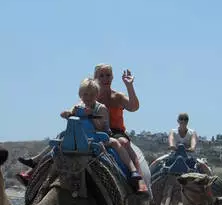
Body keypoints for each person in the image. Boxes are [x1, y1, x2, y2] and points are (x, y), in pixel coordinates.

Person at [17, 78, 145, 192]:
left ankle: (132, 170)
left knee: (116, 143)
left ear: (96, 95)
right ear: (80, 95)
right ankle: (35, 163)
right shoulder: (78, 106)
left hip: (98, 137)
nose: (88, 97)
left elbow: (102, 127)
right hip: (80, 138)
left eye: (91, 95)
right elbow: (67, 113)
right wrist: (66, 114)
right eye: (85, 94)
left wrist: (91, 117)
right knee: (59, 139)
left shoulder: (101, 108)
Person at [94, 63, 147, 192]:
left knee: (123, 142)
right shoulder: (91, 96)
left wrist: (129, 86)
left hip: (116, 133)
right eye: (101, 75)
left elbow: (134, 107)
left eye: (108, 75)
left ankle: (138, 178)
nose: (105, 78)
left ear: (112, 77)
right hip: (96, 131)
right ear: (95, 78)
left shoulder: (117, 96)